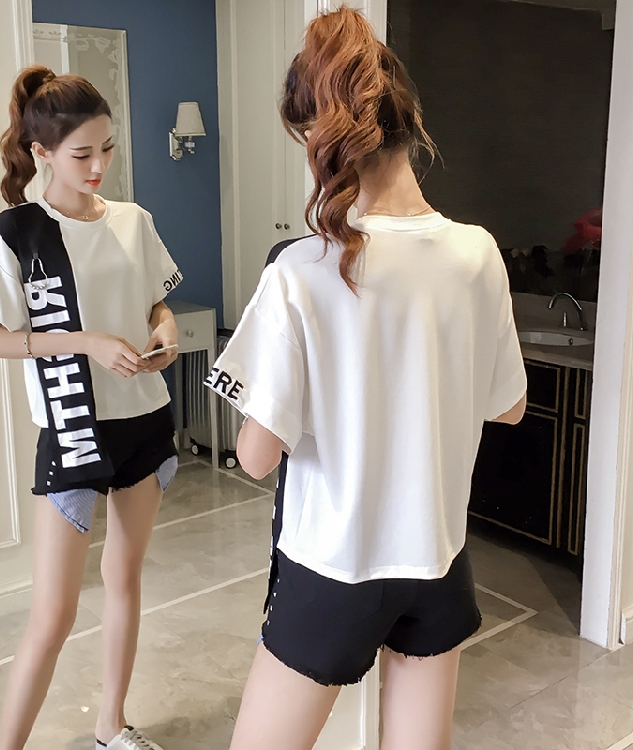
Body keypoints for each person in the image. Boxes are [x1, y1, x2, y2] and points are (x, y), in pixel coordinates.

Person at [205, 7, 527, 750]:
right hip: (437, 558)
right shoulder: (477, 253)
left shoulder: (301, 269)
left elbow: (255, 457)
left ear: (320, 141)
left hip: (334, 567)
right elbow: (509, 407)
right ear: (410, 123)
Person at [0, 66, 183, 750]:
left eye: (107, 148)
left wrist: (165, 332)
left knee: (125, 580)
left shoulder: (133, 221)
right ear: (42, 152)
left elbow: (155, 302)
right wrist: (84, 341)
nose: (99, 166)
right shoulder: (18, 231)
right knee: (53, 614)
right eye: (82, 153)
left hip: (142, 420)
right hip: (73, 429)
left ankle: (113, 725)